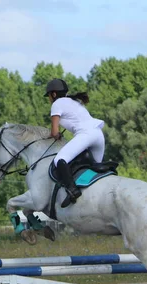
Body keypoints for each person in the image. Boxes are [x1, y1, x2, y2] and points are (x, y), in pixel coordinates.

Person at [45, 78, 106, 208]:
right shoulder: (75, 101)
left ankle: (72, 190)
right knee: (94, 169)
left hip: (86, 135)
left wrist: (56, 136)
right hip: (98, 135)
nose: (49, 99)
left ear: (54, 94)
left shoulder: (56, 104)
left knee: (59, 159)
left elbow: (54, 132)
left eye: (49, 95)